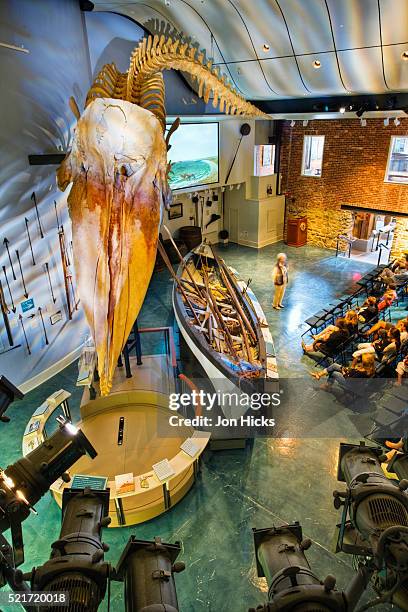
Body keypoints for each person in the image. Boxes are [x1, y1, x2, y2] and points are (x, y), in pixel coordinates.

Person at [310, 353, 375, 392]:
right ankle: (319, 375)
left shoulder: (362, 373)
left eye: (362, 359)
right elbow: (352, 372)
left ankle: (327, 386)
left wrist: (345, 371)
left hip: (351, 385)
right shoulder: (370, 368)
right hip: (351, 376)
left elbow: (348, 379)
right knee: (334, 365)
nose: (360, 359)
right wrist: (347, 369)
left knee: (334, 373)